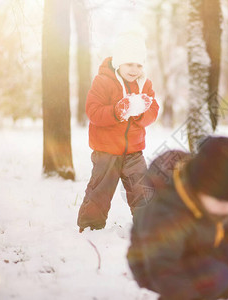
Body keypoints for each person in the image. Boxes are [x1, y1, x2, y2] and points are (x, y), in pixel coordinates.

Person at [127, 136, 228, 300]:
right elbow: (161, 267)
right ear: (200, 188)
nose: (227, 208)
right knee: (218, 274)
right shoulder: (169, 210)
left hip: (198, 253)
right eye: (221, 200)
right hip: (153, 266)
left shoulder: (218, 202)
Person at [77, 29, 159, 232]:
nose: (134, 69)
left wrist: (142, 113)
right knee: (101, 189)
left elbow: (154, 111)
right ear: (118, 62)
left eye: (139, 64)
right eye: (129, 63)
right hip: (106, 150)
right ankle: (90, 225)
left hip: (134, 150)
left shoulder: (144, 84)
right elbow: (93, 111)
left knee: (142, 187)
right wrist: (117, 111)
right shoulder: (103, 81)